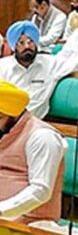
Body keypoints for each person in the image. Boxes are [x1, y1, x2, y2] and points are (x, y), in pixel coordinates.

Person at [0, 20, 78, 118]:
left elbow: (77, 63)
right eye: (21, 43)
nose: (27, 46)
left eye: (31, 42)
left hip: (34, 122)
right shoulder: (3, 66)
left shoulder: (50, 63)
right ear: (14, 46)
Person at [0, 80, 66, 223]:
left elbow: (40, 191)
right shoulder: (3, 129)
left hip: (31, 222)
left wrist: (1, 210)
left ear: (13, 116)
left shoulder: (42, 137)